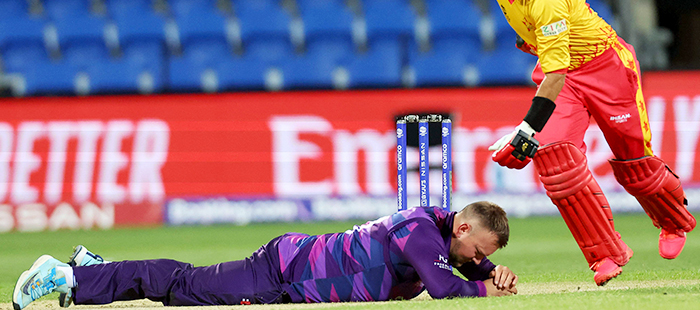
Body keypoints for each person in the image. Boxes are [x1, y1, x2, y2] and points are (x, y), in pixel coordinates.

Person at [466, 0, 695, 286]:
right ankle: (605, 253)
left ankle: (674, 222)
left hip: (607, 69)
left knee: (633, 164)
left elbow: (554, 72)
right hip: (564, 71)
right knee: (554, 159)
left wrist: (525, 128)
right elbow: (553, 63)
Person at [13, 202, 518, 309]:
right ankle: (67, 277)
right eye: (475, 251)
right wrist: (484, 285)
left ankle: (92, 270)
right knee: (184, 285)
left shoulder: (437, 225)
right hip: (284, 274)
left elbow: (465, 262)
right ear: (464, 228)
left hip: (293, 267)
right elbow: (446, 286)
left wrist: (493, 269)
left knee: (188, 288)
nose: (473, 259)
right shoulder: (424, 236)